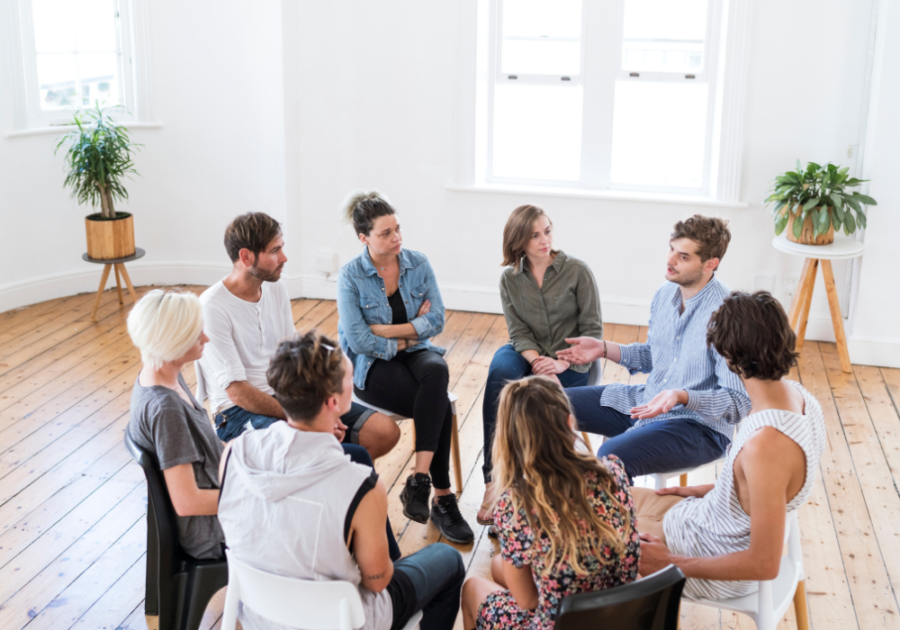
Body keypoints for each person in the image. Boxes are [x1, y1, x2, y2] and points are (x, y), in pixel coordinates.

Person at [217, 332, 466, 630]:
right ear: (334, 401)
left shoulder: (235, 453)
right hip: (340, 620)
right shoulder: (360, 484)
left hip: (260, 615)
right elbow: (377, 581)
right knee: (448, 560)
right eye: (349, 379)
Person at [634, 291, 826, 600]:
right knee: (597, 498)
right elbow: (768, 491)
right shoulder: (800, 398)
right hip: (703, 520)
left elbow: (764, 564)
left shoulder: (766, 446)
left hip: (709, 560)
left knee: (579, 533)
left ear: (729, 357)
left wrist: (670, 563)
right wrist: (708, 489)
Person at [558, 215, 752, 480]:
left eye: (683, 256)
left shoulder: (729, 314)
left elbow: (738, 402)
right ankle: (543, 500)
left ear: (710, 264)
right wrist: (603, 348)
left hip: (698, 427)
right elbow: (654, 356)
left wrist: (683, 396)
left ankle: (595, 515)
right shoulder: (665, 293)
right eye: (672, 249)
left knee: (610, 455)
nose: (670, 260)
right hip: (645, 403)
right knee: (541, 404)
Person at [196, 211, 400, 463]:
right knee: (311, 453)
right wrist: (310, 419)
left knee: (383, 431)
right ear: (246, 257)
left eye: (282, 247)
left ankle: (332, 489)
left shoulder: (275, 287)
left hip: (287, 396)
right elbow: (237, 392)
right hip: (237, 412)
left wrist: (318, 406)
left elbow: (292, 357)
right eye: (274, 251)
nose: (284, 258)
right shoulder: (212, 307)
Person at [337, 192, 474, 544]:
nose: (397, 238)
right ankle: (442, 497)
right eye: (385, 233)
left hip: (416, 354)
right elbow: (359, 341)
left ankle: (419, 479)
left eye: (397, 229)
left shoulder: (417, 263)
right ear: (363, 238)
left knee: (437, 372)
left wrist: (388, 332)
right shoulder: (350, 276)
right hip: (372, 367)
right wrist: (407, 334)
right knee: (437, 402)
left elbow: (438, 319)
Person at [461, 377, 639, 630]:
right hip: (619, 615)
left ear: (509, 441)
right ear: (569, 423)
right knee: (499, 564)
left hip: (560, 623)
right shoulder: (614, 472)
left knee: (472, 589)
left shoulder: (515, 507)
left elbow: (527, 600)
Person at [477, 204, 603, 526]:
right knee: (500, 375)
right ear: (518, 240)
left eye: (546, 231)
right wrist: (537, 362)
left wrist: (560, 363)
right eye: (534, 235)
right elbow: (518, 331)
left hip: (572, 361)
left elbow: (592, 330)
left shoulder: (578, 271)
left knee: (538, 402)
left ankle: (537, 492)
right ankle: (494, 482)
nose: (544, 240)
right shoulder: (510, 279)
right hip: (528, 351)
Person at [125, 290, 224, 560]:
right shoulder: (166, 409)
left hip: (224, 490)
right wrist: (253, 498)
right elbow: (187, 501)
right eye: (197, 335)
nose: (207, 338)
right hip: (215, 531)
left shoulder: (164, 375)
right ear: (173, 342)